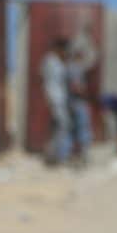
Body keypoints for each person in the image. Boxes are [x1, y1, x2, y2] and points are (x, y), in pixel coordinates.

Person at [40, 38, 71, 166]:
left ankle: (52, 156)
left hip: (57, 99)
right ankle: (59, 157)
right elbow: (50, 84)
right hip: (56, 100)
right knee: (63, 126)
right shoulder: (51, 62)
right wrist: (52, 101)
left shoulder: (55, 61)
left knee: (57, 129)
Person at [64, 48, 93, 167]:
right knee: (82, 129)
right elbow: (75, 87)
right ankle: (81, 157)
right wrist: (84, 92)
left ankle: (70, 157)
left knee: (72, 130)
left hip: (71, 103)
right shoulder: (75, 68)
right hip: (77, 103)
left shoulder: (69, 67)